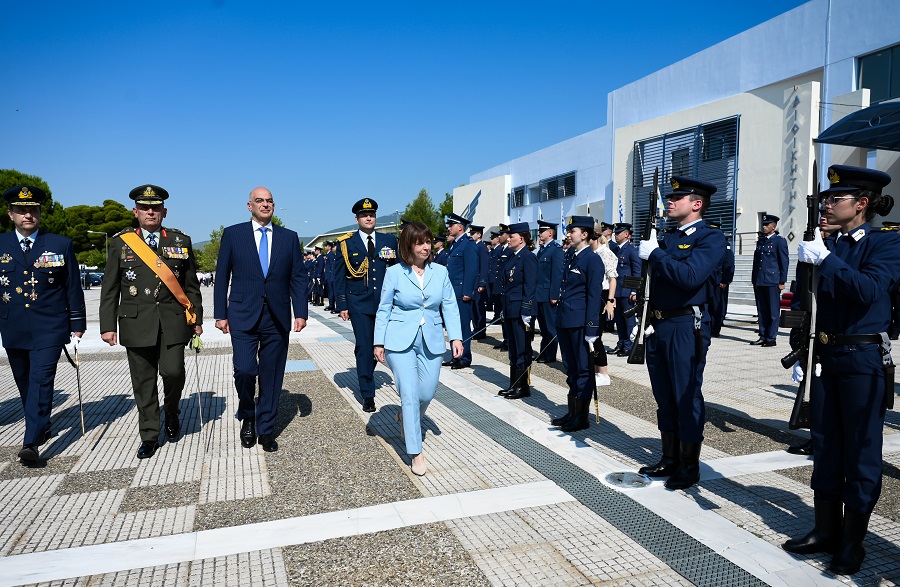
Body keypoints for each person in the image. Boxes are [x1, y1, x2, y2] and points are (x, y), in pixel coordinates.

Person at [781, 165, 899, 575]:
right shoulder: (826, 242)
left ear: (861, 204)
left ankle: (853, 541)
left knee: (861, 452)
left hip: (862, 361)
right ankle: (825, 529)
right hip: (825, 357)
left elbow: (868, 289)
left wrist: (826, 259)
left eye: (836, 199)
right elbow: (807, 304)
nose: (827, 205)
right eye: (826, 199)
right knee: (826, 444)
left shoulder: (885, 243)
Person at [100, 184, 203, 459]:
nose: (150, 211)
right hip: (136, 322)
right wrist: (107, 325)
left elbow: (191, 285)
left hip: (172, 321)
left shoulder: (180, 241)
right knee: (143, 382)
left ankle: (171, 410)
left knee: (173, 372)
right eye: (145, 207)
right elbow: (110, 287)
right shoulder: (122, 242)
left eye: (155, 207)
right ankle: (149, 435)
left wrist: (196, 317)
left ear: (164, 212)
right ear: (136, 212)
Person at [636, 176, 725, 490]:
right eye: (669, 197)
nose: (670, 202)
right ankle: (669, 458)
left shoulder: (710, 238)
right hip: (659, 324)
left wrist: (656, 255)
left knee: (686, 395)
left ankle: (689, 465)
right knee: (664, 394)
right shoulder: (668, 237)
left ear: (696, 204)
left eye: (678, 197)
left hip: (687, 325)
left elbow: (690, 276)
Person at [214, 186, 307, 452]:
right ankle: (248, 414)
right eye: (259, 201)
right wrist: (220, 314)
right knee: (245, 370)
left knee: (272, 374)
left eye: (269, 201)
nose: (265, 205)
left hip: (276, 315)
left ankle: (266, 428)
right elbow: (222, 277)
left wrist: (300, 312)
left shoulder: (289, 238)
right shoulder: (233, 234)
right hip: (242, 313)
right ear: (249, 206)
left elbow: (298, 277)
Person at [1, 185, 86, 465]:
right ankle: (42, 421)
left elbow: (73, 286)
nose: (28, 214)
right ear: (10, 213)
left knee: (41, 380)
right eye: (22, 210)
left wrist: (77, 322)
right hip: (13, 327)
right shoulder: (1, 244)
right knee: (24, 382)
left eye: (33, 209)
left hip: (49, 326)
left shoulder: (59, 244)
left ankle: (31, 442)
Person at [374, 221, 463, 476]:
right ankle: (416, 451)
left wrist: (456, 337)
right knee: (410, 394)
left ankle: (406, 416)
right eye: (419, 242)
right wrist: (378, 341)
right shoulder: (394, 273)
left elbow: (450, 306)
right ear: (408, 246)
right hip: (399, 340)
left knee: (427, 392)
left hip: (432, 338)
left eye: (428, 241)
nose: (425, 247)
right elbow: (384, 309)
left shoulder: (441, 272)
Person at [334, 198, 399, 412]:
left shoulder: (389, 241)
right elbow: (339, 277)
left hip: (384, 303)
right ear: (357, 219)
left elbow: (397, 271)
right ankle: (367, 393)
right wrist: (342, 303)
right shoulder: (346, 244)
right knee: (364, 346)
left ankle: (368, 374)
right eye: (364, 215)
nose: (368, 218)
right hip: (359, 303)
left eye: (371, 214)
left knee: (380, 346)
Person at [551, 216, 603, 432]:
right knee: (571, 368)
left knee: (583, 370)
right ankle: (572, 412)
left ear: (585, 234)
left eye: (573, 231)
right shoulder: (571, 255)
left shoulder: (592, 260)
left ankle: (581, 417)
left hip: (580, 322)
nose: (568, 234)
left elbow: (594, 295)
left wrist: (591, 328)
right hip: (565, 319)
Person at [496, 222, 537, 399]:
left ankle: (522, 386)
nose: (508, 239)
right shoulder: (513, 257)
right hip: (511, 308)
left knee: (522, 348)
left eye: (511, 236)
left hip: (521, 311)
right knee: (513, 348)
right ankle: (514, 384)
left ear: (521, 238)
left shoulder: (528, 257)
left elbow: (530, 286)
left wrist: (527, 311)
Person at [442, 212, 478, 369]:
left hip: (461, 293)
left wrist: (468, 292)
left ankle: (464, 357)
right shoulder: (455, 244)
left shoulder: (468, 244)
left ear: (460, 227)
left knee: (463, 325)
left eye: (451, 225)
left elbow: (471, 269)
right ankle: (455, 355)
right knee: (452, 325)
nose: (448, 228)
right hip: (452, 292)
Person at [751, 214, 789, 346]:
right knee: (762, 310)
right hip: (760, 280)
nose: (764, 227)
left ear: (774, 226)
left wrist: (782, 281)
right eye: (763, 224)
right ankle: (763, 335)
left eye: (767, 225)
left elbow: (784, 262)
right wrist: (754, 279)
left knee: (773, 311)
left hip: (772, 280)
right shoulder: (761, 241)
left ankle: (771, 338)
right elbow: (757, 262)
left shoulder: (779, 241)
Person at [590, 230, 618, 386]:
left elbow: (612, 278)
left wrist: (610, 301)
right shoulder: (593, 253)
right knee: (591, 334)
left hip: (603, 294)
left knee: (596, 334)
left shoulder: (604, 253)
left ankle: (603, 373)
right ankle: (595, 369)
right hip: (595, 294)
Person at [535, 220, 564, 364]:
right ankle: (544, 351)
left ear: (550, 233)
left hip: (548, 295)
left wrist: (554, 295)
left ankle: (550, 354)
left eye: (542, 231)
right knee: (543, 327)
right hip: (539, 294)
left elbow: (557, 274)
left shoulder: (556, 249)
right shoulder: (542, 249)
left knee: (550, 327)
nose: (539, 234)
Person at [613, 223, 641, 356]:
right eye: (615, 233)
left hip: (627, 291)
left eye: (618, 233)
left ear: (626, 234)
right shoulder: (617, 250)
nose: (615, 235)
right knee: (619, 321)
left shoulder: (631, 250)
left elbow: (636, 272)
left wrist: (634, 291)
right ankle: (621, 344)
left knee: (629, 321)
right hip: (617, 291)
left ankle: (629, 347)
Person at [707, 221, 735, 337]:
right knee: (708, 306)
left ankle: (715, 328)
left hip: (719, 281)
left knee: (717, 306)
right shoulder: (709, 243)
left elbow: (729, 264)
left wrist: (725, 280)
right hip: (709, 279)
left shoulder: (724, 244)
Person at [490, 224, 511, 351]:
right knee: (503, 317)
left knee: (507, 317)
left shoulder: (510, 250)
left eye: (502, 234)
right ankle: (505, 339)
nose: (499, 236)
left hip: (505, 289)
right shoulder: (502, 249)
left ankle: (509, 341)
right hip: (500, 288)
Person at [469, 225, 490, 340]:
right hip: (473, 282)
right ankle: (476, 328)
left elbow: (484, 266)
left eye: (473, 234)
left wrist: (482, 283)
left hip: (478, 283)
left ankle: (481, 330)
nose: (471, 236)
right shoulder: (473, 246)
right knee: (473, 308)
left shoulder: (482, 247)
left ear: (479, 235)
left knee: (479, 307)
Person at [324, 241, 337, 312]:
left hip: (331, 275)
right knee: (330, 291)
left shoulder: (331, 255)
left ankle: (332, 305)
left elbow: (332, 266)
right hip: (329, 275)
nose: (325, 247)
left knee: (332, 291)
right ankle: (331, 304)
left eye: (326, 246)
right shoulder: (329, 255)